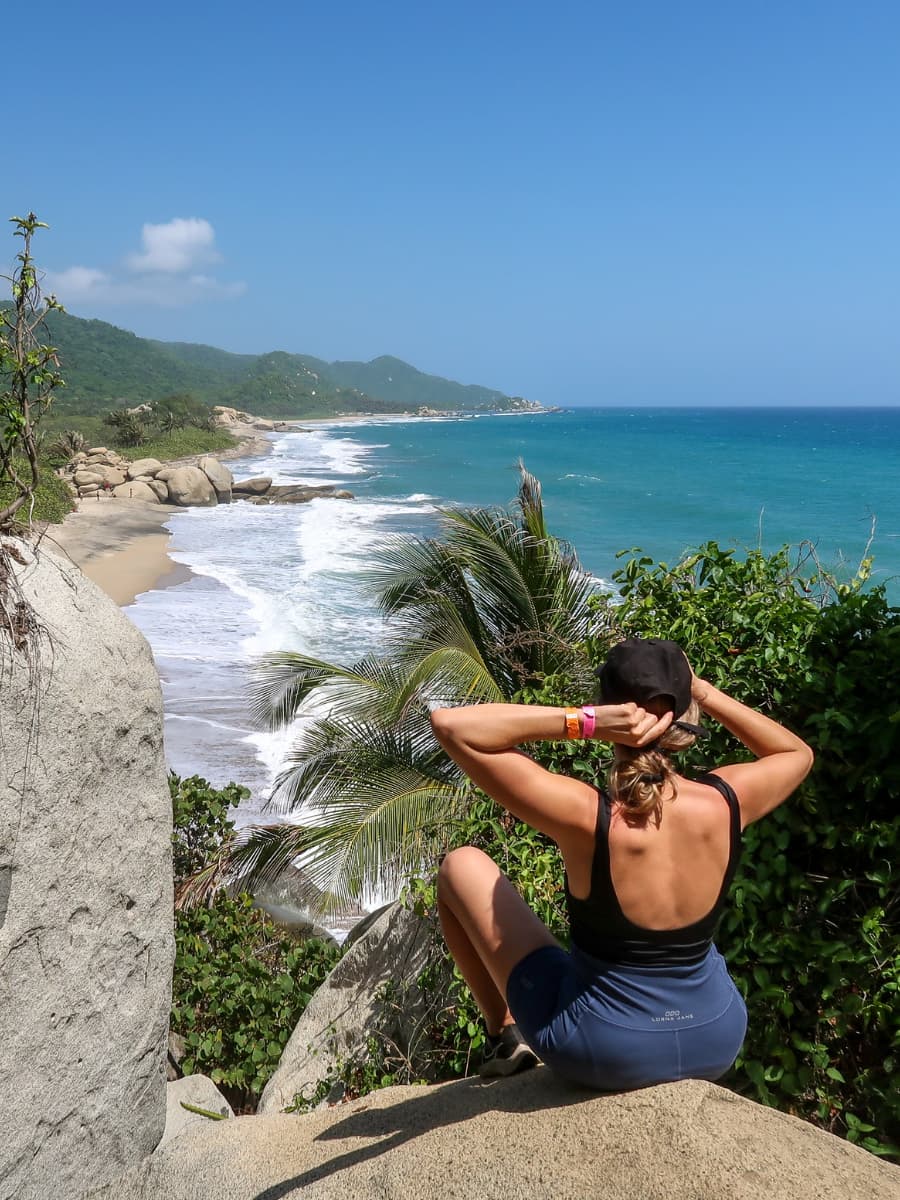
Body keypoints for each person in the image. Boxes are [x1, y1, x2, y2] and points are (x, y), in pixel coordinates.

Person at [430, 637, 814, 1086]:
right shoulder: (727, 802)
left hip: (604, 1046)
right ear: (687, 716)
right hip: (716, 1037)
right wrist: (703, 692)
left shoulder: (586, 815)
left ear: (608, 711)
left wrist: (584, 723)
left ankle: (506, 1035)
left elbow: (451, 725)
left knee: (461, 865)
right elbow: (796, 754)